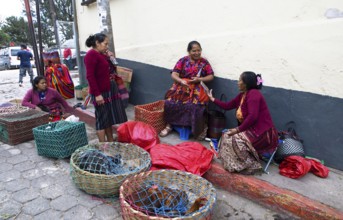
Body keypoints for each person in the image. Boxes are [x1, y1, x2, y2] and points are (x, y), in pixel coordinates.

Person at [206, 71, 278, 174]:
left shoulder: (254, 94)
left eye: (240, 80)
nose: (238, 82)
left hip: (262, 133)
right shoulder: (243, 95)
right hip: (251, 130)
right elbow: (228, 105)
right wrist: (212, 99)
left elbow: (253, 116)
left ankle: (251, 165)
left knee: (235, 139)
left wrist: (237, 130)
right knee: (226, 135)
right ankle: (234, 163)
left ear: (246, 83)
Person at [160, 41, 214, 139]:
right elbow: (174, 74)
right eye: (194, 51)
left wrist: (200, 79)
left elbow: (211, 76)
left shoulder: (204, 62)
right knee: (170, 102)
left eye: (199, 50)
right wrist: (181, 81)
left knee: (195, 106)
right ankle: (169, 125)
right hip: (182, 86)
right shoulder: (183, 60)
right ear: (189, 51)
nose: (197, 53)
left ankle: (192, 129)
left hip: (197, 87)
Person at [84, 33, 127, 142]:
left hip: (109, 89)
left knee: (108, 118)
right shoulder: (91, 55)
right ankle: (103, 147)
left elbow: (112, 68)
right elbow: (90, 76)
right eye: (105, 43)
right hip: (100, 91)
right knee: (102, 120)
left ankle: (111, 142)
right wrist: (97, 95)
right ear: (97, 43)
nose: (107, 46)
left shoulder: (103, 54)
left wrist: (111, 57)